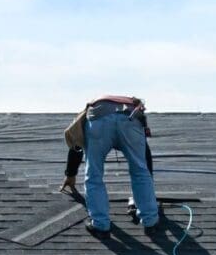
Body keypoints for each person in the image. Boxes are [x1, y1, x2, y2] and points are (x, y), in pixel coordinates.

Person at [62, 96, 159, 238]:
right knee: (140, 171)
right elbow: (145, 157)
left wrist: (70, 174)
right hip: (130, 121)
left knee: (94, 174)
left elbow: (76, 144)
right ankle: (150, 222)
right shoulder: (133, 107)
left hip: (99, 121)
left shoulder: (92, 108)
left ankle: (100, 225)